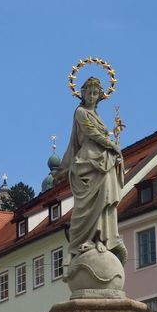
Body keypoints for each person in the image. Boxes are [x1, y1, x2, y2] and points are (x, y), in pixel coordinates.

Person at [55, 76, 126, 264]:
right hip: (87, 162)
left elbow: (101, 135)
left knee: (104, 200)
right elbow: (91, 133)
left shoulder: (97, 116)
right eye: (89, 92)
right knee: (85, 207)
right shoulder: (80, 112)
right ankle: (82, 242)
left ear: (100, 96)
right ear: (83, 94)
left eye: (95, 93)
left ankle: (101, 238)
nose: (92, 96)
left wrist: (114, 152)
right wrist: (112, 145)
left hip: (103, 162)